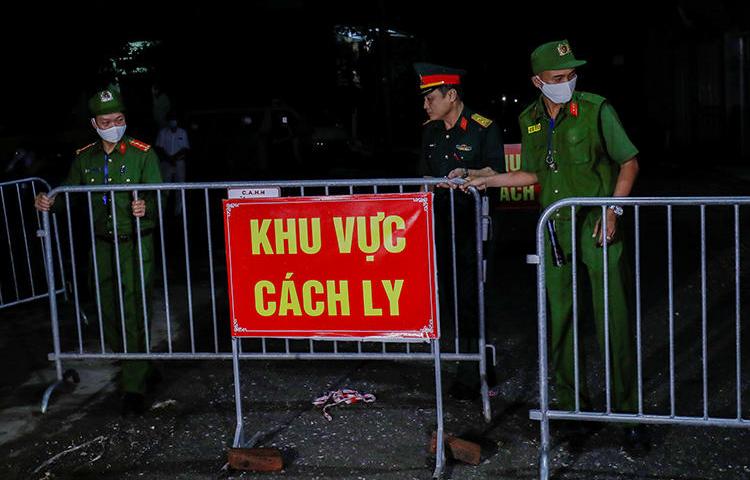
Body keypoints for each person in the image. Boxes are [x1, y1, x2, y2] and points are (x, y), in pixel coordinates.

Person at [458, 40, 646, 446]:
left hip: (597, 225)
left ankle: (630, 416)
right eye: (558, 78)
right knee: (560, 318)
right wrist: (484, 178)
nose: (567, 83)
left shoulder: (596, 109)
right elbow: (532, 174)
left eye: (571, 75)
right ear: (537, 81)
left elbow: (628, 162)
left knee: (611, 317)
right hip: (555, 228)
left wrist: (614, 211)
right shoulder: (530, 119)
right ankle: (571, 410)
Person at [35, 87, 163, 414]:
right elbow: (68, 194)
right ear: (95, 123)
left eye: (119, 119)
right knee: (107, 312)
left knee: (133, 310)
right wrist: (50, 201)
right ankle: (141, 364)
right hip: (101, 246)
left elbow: (164, 197)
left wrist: (146, 207)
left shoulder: (142, 154)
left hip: (135, 244)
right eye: (107, 121)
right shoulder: (85, 158)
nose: (114, 125)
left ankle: (133, 386)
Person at [414, 62, 504, 399]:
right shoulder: (430, 132)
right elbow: (422, 176)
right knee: (450, 298)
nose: (426, 105)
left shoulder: (483, 128)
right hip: (441, 225)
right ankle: (468, 366)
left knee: (473, 299)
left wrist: (470, 172)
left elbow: (497, 171)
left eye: (431, 98)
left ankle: (476, 372)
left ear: (451, 95)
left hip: (474, 225)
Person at [155, 112, 190, 215]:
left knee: (180, 187)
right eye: (171, 119)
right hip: (166, 163)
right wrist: (169, 159)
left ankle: (179, 211)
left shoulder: (182, 132)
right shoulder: (163, 133)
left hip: (179, 163)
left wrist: (174, 158)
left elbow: (185, 148)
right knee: (165, 188)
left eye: (174, 119)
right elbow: (159, 148)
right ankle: (162, 210)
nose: (173, 122)